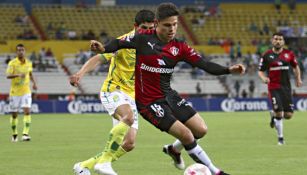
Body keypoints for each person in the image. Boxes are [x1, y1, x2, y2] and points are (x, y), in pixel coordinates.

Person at [77, 3, 246, 175]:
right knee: (186, 135)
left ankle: (174, 150)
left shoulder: (180, 47)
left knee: (200, 130)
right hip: (148, 102)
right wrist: (103, 48)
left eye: (175, 24)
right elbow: (117, 43)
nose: (172, 29)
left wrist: (228, 70)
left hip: (168, 95)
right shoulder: (142, 39)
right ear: (157, 23)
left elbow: (205, 64)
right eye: (167, 25)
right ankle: (216, 171)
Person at [71, 10, 155, 175]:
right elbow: (99, 58)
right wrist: (80, 73)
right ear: (136, 27)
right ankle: (103, 164)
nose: (147, 32)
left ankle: (83, 166)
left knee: (129, 143)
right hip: (113, 90)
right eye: (144, 28)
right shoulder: (124, 42)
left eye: (151, 28)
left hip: (131, 96)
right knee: (128, 117)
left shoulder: (153, 45)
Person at [258, 32, 303, 145]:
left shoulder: (289, 54)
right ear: (272, 41)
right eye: (276, 39)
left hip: (286, 88)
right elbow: (260, 71)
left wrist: (298, 79)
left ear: (283, 41)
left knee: (288, 115)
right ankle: (281, 139)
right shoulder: (267, 55)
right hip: (273, 87)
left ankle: (273, 115)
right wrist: (264, 78)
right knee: (280, 113)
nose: (278, 41)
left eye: (280, 39)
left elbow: (295, 67)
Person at [6, 44, 37, 142]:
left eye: (22, 50)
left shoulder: (29, 63)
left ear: (25, 51)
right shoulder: (12, 63)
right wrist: (18, 75)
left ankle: (25, 134)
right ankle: (14, 134)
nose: (21, 52)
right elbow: (8, 75)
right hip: (15, 92)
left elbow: (30, 73)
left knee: (27, 111)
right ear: (16, 52)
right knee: (14, 114)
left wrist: (34, 83)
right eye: (19, 50)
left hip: (26, 91)